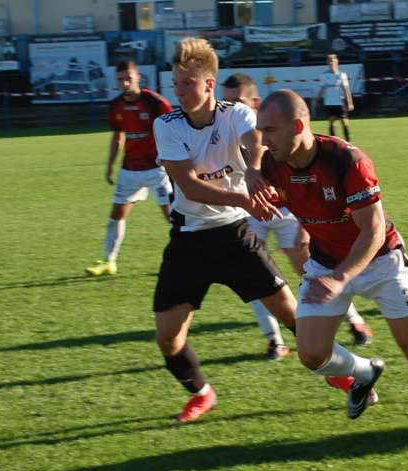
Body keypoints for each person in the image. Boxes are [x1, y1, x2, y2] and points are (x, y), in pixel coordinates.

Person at [255, 89, 408, 442]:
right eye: (259, 131)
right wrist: (252, 174)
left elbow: (373, 231)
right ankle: (363, 372)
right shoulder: (271, 162)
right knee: (311, 354)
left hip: (380, 260)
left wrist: (340, 279)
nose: (263, 140)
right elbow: (244, 150)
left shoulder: (347, 161)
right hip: (326, 263)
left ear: (298, 126)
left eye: (269, 130)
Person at [151, 39, 302, 423]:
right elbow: (190, 186)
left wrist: (254, 168)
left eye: (188, 83)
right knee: (168, 337)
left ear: (209, 84)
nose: (179, 92)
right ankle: (202, 393)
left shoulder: (234, 113)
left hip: (234, 235)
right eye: (176, 83)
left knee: (294, 317)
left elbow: (255, 138)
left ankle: (349, 376)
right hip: (189, 240)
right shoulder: (166, 125)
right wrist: (246, 200)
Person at [221, 73, 375, 360]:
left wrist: (254, 168)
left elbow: (271, 158)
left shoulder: (272, 132)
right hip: (254, 207)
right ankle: (274, 340)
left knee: (308, 269)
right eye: (225, 102)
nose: (230, 108)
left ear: (254, 103)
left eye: (237, 102)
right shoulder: (223, 125)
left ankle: (354, 320)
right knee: (252, 274)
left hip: (291, 207)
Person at [86, 61, 173, 277]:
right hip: (129, 170)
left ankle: (191, 258)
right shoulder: (115, 105)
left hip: (157, 170)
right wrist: (109, 167)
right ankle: (109, 261)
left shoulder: (155, 102)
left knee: (173, 217)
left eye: (129, 78)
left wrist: (175, 163)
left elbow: (174, 129)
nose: (124, 83)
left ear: (138, 78)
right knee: (116, 215)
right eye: (120, 79)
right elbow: (118, 136)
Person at [315, 54, 354, 142]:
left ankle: (349, 142)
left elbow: (346, 89)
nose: (331, 63)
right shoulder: (324, 75)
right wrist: (317, 99)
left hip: (340, 102)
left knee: (344, 122)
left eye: (332, 61)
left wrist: (350, 102)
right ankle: (333, 143)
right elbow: (321, 88)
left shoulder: (342, 75)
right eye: (329, 61)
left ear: (337, 62)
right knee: (332, 122)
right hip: (329, 103)